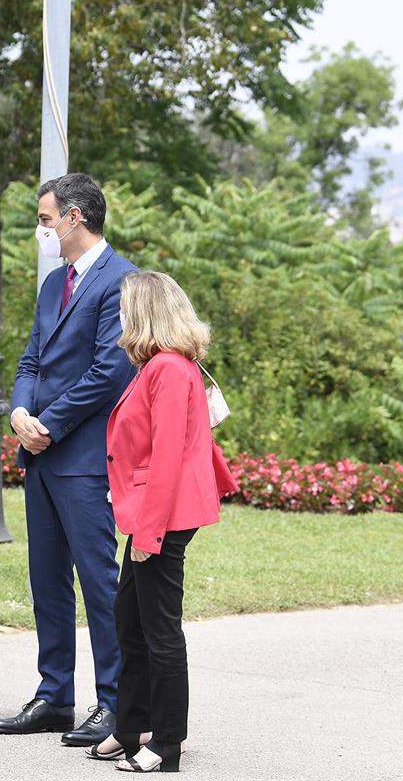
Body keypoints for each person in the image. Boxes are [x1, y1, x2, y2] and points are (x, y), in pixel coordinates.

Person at [0, 174, 137, 747]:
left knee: (99, 582)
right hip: (41, 456)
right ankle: (54, 696)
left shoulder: (121, 280)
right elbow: (32, 358)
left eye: (45, 219)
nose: (41, 229)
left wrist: (50, 424)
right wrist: (20, 414)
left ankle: (115, 703)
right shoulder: (54, 284)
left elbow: (111, 370)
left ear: (74, 217)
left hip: (85, 457)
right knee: (47, 581)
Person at [87, 270, 238, 772]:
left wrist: (147, 535)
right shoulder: (160, 365)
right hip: (153, 510)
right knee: (130, 620)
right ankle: (132, 726)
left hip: (164, 515)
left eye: (128, 307)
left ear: (145, 312)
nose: (122, 317)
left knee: (159, 629)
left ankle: (166, 742)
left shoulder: (170, 369)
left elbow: (169, 454)